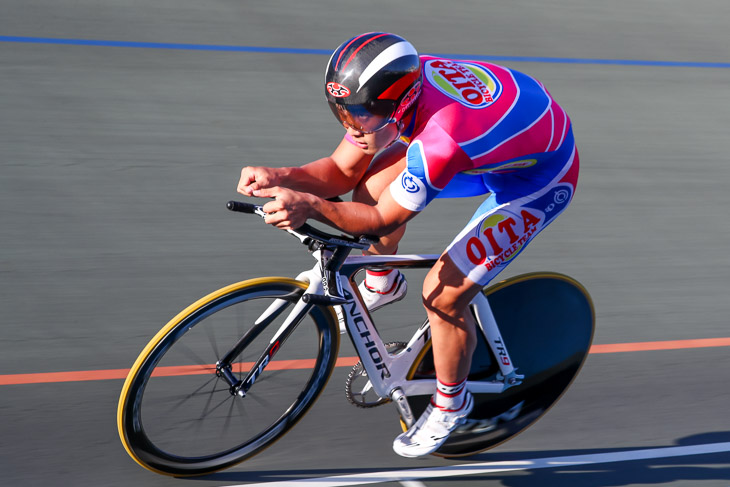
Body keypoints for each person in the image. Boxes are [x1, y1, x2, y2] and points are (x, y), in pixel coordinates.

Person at [237, 32, 579, 458]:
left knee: (443, 294)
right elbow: (342, 172)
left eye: (361, 115)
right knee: (369, 184)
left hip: (537, 178)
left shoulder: (442, 137)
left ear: (398, 105)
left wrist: (309, 205)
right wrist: (281, 175)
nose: (352, 126)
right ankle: (382, 281)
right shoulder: (389, 86)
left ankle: (453, 403)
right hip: (495, 143)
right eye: (342, 112)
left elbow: (386, 219)